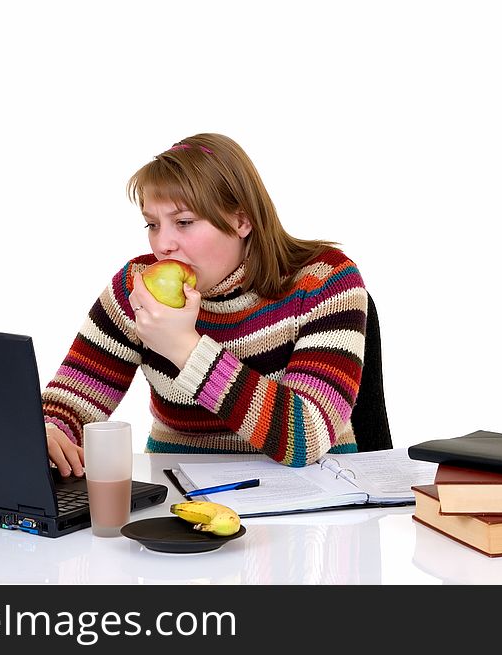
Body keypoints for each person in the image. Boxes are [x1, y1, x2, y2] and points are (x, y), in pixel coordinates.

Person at [42, 133, 372, 477]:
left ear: (241, 221)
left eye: (184, 222)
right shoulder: (138, 286)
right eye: (153, 224)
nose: (163, 243)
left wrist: (187, 350)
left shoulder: (325, 280)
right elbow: (71, 400)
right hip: (179, 494)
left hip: (313, 499)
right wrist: (52, 429)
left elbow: (307, 437)